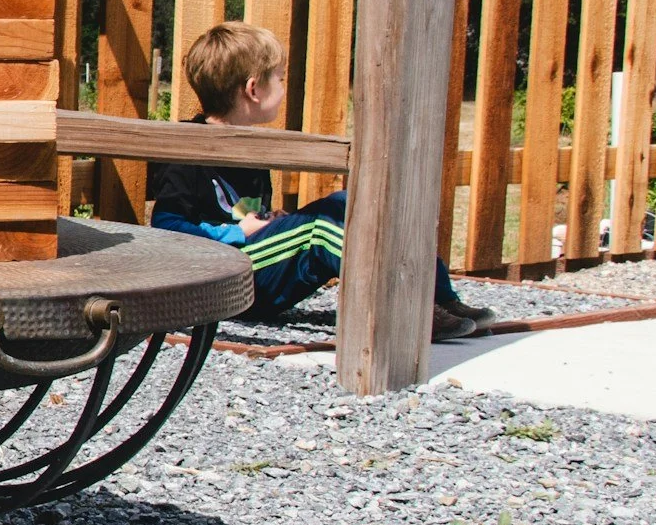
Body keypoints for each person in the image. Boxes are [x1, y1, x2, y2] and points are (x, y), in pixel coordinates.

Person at [149, 21, 494, 341]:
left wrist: (270, 223)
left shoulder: (250, 147)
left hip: (254, 265)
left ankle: (442, 299)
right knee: (319, 230)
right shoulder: (189, 148)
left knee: (347, 203)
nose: (284, 87)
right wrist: (240, 232)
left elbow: (239, 211)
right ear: (254, 89)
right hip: (221, 280)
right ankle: (401, 310)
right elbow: (165, 227)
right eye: (280, 78)